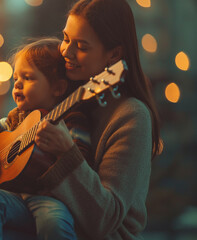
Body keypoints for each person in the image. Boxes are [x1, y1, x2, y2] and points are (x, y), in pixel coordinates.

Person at [32, 0, 161, 239]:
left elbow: (104, 219)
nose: (66, 52)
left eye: (81, 46)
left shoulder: (132, 116)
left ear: (114, 54)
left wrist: (67, 153)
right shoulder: (65, 99)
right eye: (66, 38)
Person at [0, 38, 91, 240]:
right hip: (11, 199)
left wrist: (63, 149)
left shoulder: (72, 120)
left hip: (51, 199)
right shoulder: (15, 119)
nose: (17, 83)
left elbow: (83, 161)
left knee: (55, 222)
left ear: (58, 88)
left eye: (28, 78)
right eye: (16, 78)